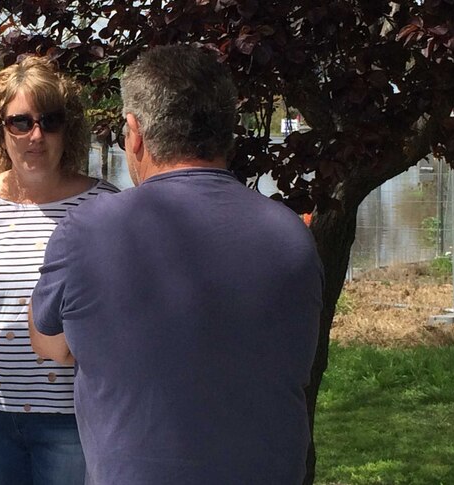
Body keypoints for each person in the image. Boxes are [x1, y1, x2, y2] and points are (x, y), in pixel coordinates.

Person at [30, 44, 322, 484]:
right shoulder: (291, 236)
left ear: (135, 132)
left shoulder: (86, 231)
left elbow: (49, 342)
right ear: (229, 131)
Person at [0, 56, 118, 484]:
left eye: (50, 121)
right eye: (20, 122)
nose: (36, 136)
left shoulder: (107, 208)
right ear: (0, 129)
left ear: (67, 129)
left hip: (72, 416)